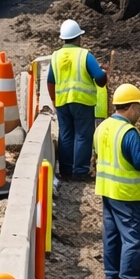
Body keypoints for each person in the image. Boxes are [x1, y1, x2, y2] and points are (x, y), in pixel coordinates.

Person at [94, 84, 140, 279]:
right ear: (131, 107)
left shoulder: (103, 127)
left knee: (112, 235)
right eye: (138, 108)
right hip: (126, 193)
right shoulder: (128, 132)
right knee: (134, 239)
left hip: (107, 190)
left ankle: (113, 278)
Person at [46, 20, 107, 183]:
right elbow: (100, 78)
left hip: (62, 102)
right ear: (78, 38)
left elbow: (50, 81)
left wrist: (54, 99)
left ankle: (66, 171)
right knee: (83, 135)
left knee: (65, 135)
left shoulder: (56, 56)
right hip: (82, 102)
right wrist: (104, 72)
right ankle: (80, 172)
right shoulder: (85, 55)